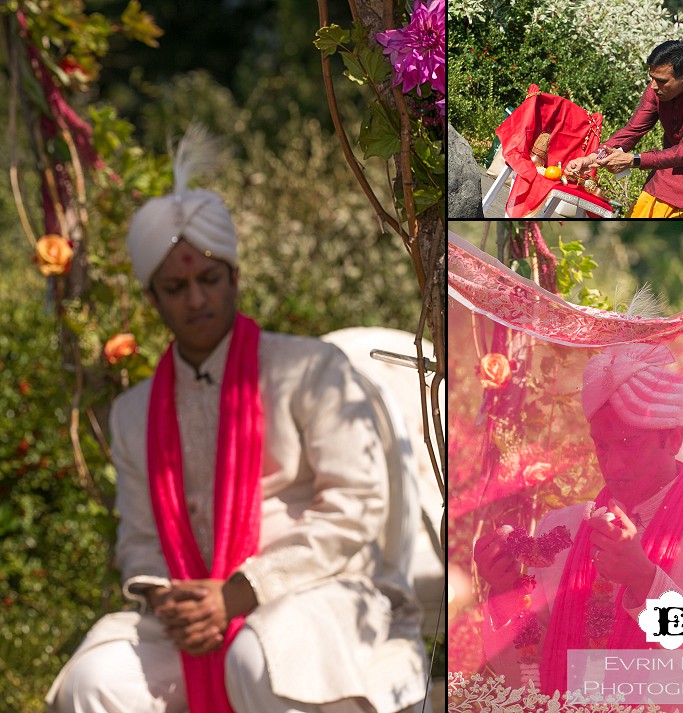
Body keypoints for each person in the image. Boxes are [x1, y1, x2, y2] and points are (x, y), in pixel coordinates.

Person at [46, 130, 428, 713]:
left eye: (209, 279)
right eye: (176, 287)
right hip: (193, 611)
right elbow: (141, 542)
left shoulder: (307, 370)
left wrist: (243, 591)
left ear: (234, 278)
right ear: (153, 300)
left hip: (317, 591)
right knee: (95, 682)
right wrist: (169, 598)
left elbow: (355, 509)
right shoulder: (134, 414)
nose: (196, 299)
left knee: (258, 658)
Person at [473, 343, 683, 703]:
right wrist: (506, 594)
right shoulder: (562, 527)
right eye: (602, 446)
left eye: (629, 443)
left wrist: (646, 583)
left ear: (673, 439)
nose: (612, 465)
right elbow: (531, 679)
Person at [564, 40, 683, 218]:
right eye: (652, 78)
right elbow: (633, 130)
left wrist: (632, 160)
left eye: (661, 80)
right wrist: (591, 159)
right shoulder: (659, 89)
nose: (653, 86)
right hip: (671, 166)